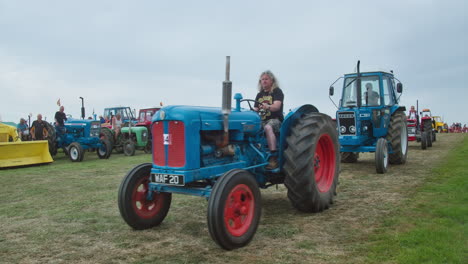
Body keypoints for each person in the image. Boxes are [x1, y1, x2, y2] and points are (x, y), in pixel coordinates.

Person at [254, 70, 284, 169]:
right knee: (250, 128)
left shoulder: (276, 91)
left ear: (272, 80)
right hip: (262, 120)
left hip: (275, 120)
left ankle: (273, 157)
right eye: (262, 79)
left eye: (266, 79)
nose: (264, 81)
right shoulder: (259, 95)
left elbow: (276, 106)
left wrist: (268, 106)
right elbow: (256, 109)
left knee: (268, 127)